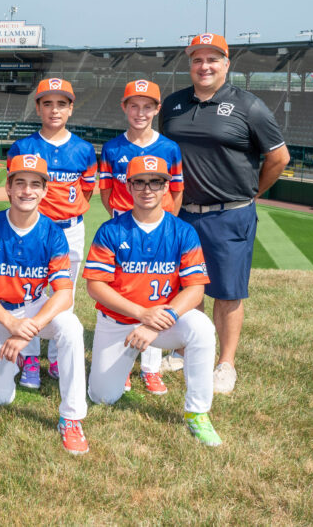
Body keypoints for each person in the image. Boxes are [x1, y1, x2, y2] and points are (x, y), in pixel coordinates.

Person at [161, 33, 290, 394]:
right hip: (183, 213)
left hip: (230, 213)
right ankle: (186, 350)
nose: (204, 66)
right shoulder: (173, 104)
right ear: (190, 65)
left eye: (212, 59)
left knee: (228, 292)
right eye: (197, 60)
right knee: (188, 286)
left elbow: (279, 158)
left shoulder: (249, 106)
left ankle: (225, 363)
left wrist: (252, 193)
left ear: (226, 64)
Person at [84, 155, 222, 446]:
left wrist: (155, 322)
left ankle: (197, 412)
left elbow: (195, 290)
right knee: (102, 397)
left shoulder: (183, 231)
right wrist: (141, 314)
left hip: (162, 322)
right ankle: (124, 364)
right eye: (140, 182)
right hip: (118, 322)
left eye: (155, 182)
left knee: (201, 328)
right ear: (128, 186)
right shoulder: (111, 230)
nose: (147, 189)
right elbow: (95, 286)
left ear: (166, 187)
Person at [0, 154, 89, 455]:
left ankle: (71, 417)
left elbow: (64, 294)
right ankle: (18, 361)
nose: (27, 191)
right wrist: (11, 324)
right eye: (20, 183)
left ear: (45, 191)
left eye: (35, 184)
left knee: (71, 326)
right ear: (8, 188)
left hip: (35, 307)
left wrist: (27, 331)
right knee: (0, 398)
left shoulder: (53, 232)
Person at [6, 78, 97, 390]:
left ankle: (57, 354)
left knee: (64, 292)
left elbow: (86, 191)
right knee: (27, 292)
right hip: (31, 229)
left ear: (71, 109)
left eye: (61, 104)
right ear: (38, 108)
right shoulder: (23, 147)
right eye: (47, 103)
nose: (54, 110)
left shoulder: (84, 149)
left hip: (69, 229)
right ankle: (30, 355)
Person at [97, 79, 184, 394]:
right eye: (134, 105)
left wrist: (165, 224)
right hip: (124, 227)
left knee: (157, 294)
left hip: (160, 227)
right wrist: (122, 220)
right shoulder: (112, 148)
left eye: (147, 106)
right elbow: (106, 192)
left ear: (157, 109)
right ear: (124, 107)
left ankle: (150, 368)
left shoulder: (169, 148)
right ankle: (122, 363)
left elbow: (176, 190)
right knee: (125, 291)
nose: (140, 112)